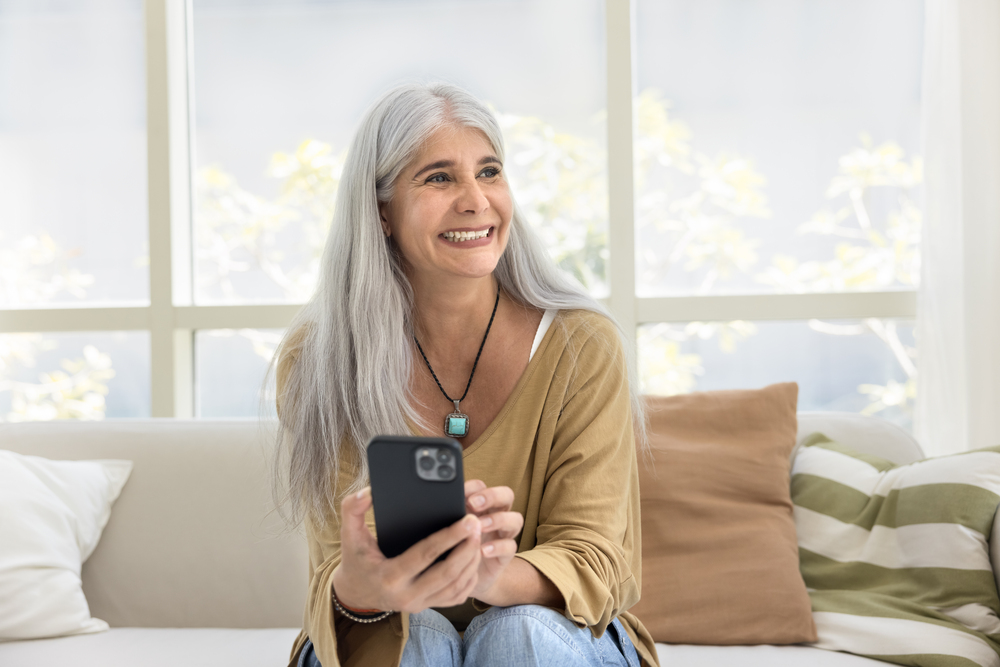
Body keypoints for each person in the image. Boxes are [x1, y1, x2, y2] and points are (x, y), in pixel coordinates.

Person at [273, 82, 659, 667]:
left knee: (518, 633)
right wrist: (362, 587)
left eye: (489, 172)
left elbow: (597, 559)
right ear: (381, 212)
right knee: (417, 640)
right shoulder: (320, 357)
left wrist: (488, 575)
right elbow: (338, 571)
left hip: (554, 637)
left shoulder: (581, 345)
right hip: (387, 633)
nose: (476, 200)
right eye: (439, 178)